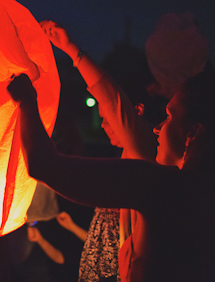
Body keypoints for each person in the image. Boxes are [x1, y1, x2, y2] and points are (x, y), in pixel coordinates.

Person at [7, 70, 215, 281]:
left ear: (193, 132)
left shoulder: (161, 186)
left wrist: (26, 101)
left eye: (169, 116)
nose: (158, 128)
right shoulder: (212, 194)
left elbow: (44, 166)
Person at [41, 20, 158, 282]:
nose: (103, 124)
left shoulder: (145, 155)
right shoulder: (128, 159)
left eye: (107, 116)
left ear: (135, 112)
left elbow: (112, 98)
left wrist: (72, 50)